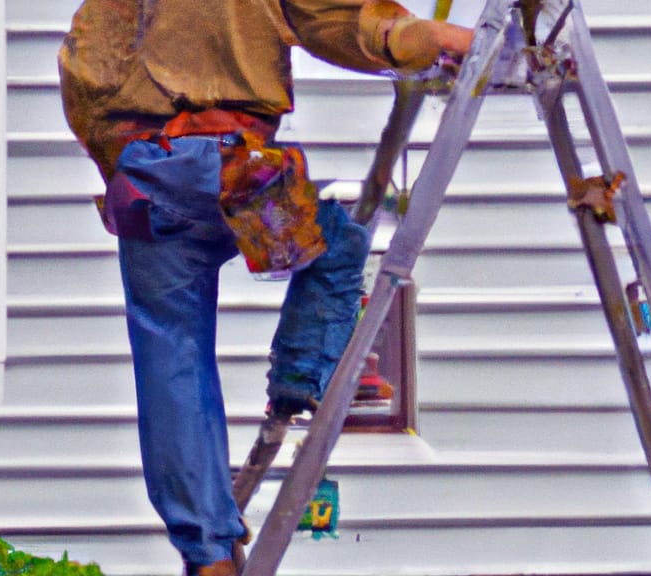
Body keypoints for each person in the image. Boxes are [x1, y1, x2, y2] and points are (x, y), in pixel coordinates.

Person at [58, 2, 473, 574]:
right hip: (234, 165)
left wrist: (122, 159)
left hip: (144, 179)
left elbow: (85, 74)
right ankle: (298, 384)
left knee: (171, 361)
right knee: (337, 247)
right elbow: (345, 22)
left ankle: (206, 550)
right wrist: (426, 39)